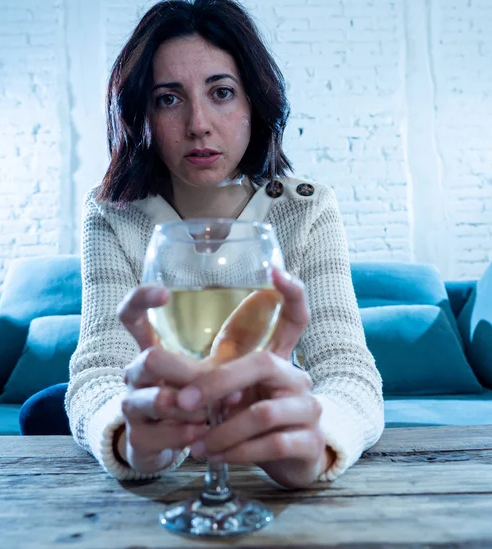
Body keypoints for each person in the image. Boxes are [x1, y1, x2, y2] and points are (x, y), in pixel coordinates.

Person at [21, 0, 384, 488]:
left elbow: (349, 371)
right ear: (141, 114)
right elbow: (99, 370)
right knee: (40, 409)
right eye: (169, 98)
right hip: (165, 432)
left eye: (222, 92)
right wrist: (130, 440)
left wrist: (319, 441)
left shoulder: (305, 209)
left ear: (254, 101)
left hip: (259, 439)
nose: (198, 123)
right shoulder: (111, 214)